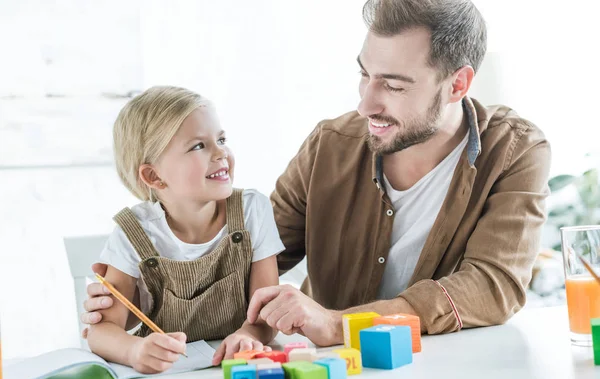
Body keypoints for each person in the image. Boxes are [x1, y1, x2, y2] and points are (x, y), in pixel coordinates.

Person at [83, 0, 551, 347]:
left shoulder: (514, 152)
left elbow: (493, 286)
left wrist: (341, 324)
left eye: (392, 84)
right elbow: (247, 255)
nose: (365, 103)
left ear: (458, 84)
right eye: (365, 74)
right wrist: (148, 294)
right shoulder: (331, 143)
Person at [86, 86, 283, 374]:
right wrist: (135, 350)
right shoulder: (133, 233)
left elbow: (267, 308)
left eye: (221, 139)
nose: (221, 153)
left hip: (240, 368)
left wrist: (249, 336)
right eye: (198, 146)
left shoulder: (253, 210)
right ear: (154, 176)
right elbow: (101, 330)